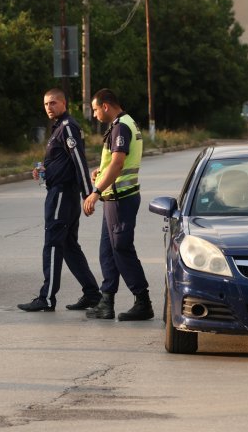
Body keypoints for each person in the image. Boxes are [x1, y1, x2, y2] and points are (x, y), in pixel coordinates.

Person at [18, 89, 102, 312]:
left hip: (63, 195)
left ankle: (46, 298)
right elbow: (63, 161)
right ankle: (92, 293)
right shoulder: (58, 128)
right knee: (69, 246)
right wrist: (45, 170)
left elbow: (79, 161)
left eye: (53, 103)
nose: (49, 107)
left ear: (64, 103)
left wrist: (88, 195)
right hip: (61, 192)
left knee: (53, 244)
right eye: (46, 104)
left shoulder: (67, 127)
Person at [82, 89, 153, 321]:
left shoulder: (121, 126)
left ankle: (142, 301)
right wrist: (100, 174)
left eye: (94, 109)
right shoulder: (121, 124)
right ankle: (106, 302)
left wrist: (95, 191)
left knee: (121, 248)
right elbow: (112, 164)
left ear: (105, 106)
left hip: (121, 198)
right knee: (107, 251)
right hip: (114, 198)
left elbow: (119, 163)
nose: (94, 115)